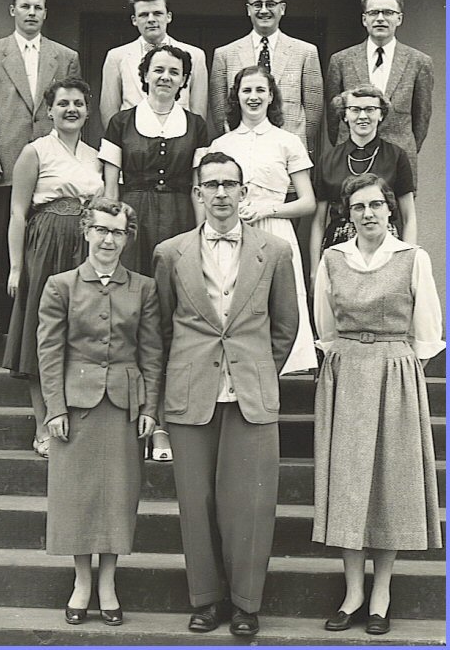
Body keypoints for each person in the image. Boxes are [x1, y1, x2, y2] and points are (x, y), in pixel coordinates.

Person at [153, 152, 299, 637]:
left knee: (251, 505)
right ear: (197, 193)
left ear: (244, 192)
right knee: (196, 502)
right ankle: (207, 599)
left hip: (250, 393)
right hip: (190, 392)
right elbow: (161, 330)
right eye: (210, 184)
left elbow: (285, 326)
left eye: (229, 184)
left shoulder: (274, 252)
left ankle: (246, 603)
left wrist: (257, 371)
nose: (220, 193)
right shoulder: (170, 253)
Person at [312, 173, 444, 635]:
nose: (368, 214)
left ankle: (381, 593)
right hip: (346, 372)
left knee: (389, 481)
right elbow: (325, 328)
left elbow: (427, 334)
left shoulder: (412, 259)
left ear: (390, 209)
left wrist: (398, 368)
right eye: (358, 207)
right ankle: (352, 592)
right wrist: (352, 357)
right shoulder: (332, 259)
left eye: (376, 205)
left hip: (395, 373)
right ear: (348, 215)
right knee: (349, 484)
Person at [37, 197, 162, 626]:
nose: (109, 239)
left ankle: (108, 582)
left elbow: (151, 353)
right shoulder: (61, 286)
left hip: (125, 406)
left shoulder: (143, 287)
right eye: (102, 230)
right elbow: (49, 352)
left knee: (117, 496)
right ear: (87, 232)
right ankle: (81, 583)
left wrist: (150, 407)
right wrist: (54, 408)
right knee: (77, 496)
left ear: (127, 238)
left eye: (118, 231)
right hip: (75, 406)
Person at [100, 44, 207, 461]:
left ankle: (162, 423)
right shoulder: (120, 123)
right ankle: (128, 421)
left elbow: (198, 187)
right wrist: (112, 237)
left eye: (174, 71)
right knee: (132, 319)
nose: (165, 77)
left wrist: (200, 238)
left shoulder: (197, 126)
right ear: (144, 76)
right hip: (134, 223)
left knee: (172, 323)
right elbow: (110, 189)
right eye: (158, 70)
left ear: (184, 80)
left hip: (179, 222)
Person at [0, 0, 81, 338]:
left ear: (46, 13)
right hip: (3, 162)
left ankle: (36, 311)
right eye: (25, 6)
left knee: (43, 238)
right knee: (1, 237)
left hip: (49, 161)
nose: (32, 13)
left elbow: (68, 107)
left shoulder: (64, 56)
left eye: (38, 7)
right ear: (12, 10)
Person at [2, 78, 104, 459]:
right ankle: (43, 422)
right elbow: (17, 212)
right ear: (50, 110)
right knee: (41, 330)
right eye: (63, 103)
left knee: (80, 330)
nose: (71, 109)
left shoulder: (96, 156)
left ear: (88, 110)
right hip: (45, 245)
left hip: (84, 246)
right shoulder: (36, 151)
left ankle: (75, 418)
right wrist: (16, 267)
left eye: (78, 102)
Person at [204, 65, 317, 373]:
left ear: (271, 97)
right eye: (246, 90)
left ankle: (286, 365)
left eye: (260, 91)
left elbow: (308, 202)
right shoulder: (222, 145)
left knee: (280, 297)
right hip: (232, 229)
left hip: (275, 227)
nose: (253, 97)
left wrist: (268, 209)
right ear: (236, 97)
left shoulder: (288, 141)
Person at [310, 84, 417, 287]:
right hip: (338, 245)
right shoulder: (328, 159)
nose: (363, 116)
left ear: (381, 115)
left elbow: (409, 216)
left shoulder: (396, 156)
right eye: (355, 109)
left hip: (384, 243)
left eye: (370, 109)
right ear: (344, 116)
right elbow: (318, 221)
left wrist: (408, 260)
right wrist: (315, 269)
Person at [326, 0, 434, 181]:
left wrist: (404, 148)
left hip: (398, 158)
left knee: (398, 211)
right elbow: (334, 117)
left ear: (399, 19)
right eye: (374, 12)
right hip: (352, 157)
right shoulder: (341, 60)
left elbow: (421, 117)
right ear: (364, 19)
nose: (380, 18)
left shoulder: (419, 62)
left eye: (388, 12)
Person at [210, 0, 323, 154]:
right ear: (248, 9)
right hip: (240, 149)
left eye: (270, 4)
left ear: (282, 9)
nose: (264, 10)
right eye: (257, 4)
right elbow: (220, 112)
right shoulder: (224, 54)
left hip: (289, 151)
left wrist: (295, 146)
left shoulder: (305, 52)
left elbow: (313, 112)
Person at [100, 0, 208, 129]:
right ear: (134, 20)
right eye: (144, 15)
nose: (151, 19)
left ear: (168, 17)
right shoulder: (117, 56)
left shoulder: (195, 55)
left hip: (179, 138)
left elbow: (198, 110)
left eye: (157, 13)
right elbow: (109, 110)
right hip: (131, 142)